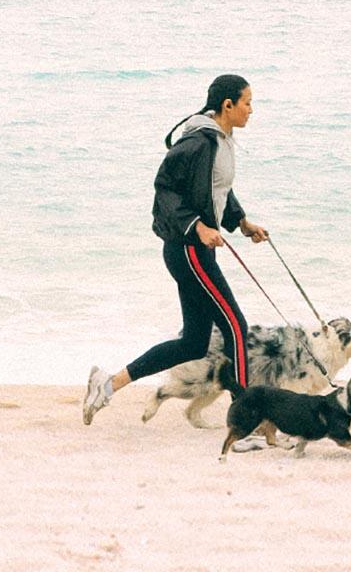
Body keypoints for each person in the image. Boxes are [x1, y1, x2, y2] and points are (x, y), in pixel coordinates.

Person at [83, 74, 268, 425]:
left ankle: (106, 385)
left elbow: (217, 190)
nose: (251, 110)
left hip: (195, 251)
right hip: (187, 249)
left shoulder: (223, 140)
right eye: (247, 102)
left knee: (194, 344)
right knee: (235, 326)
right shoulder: (199, 142)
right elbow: (165, 188)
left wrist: (241, 222)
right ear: (227, 105)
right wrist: (197, 227)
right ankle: (246, 422)